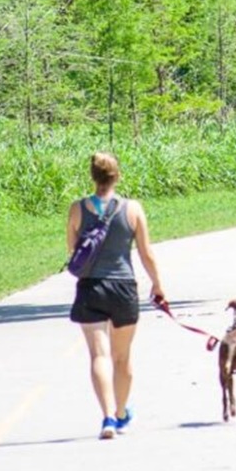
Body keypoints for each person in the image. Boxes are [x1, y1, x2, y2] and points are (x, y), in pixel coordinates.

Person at [67, 152, 165, 440]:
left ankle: (108, 416)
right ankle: (121, 413)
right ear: (117, 175)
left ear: (93, 177)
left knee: (99, 355)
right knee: (122, 358)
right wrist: (158, 284)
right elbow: (146, 253)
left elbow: (73, 252)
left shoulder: (77, 209)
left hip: (90, 287)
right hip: (123, 287)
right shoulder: (132, 209)